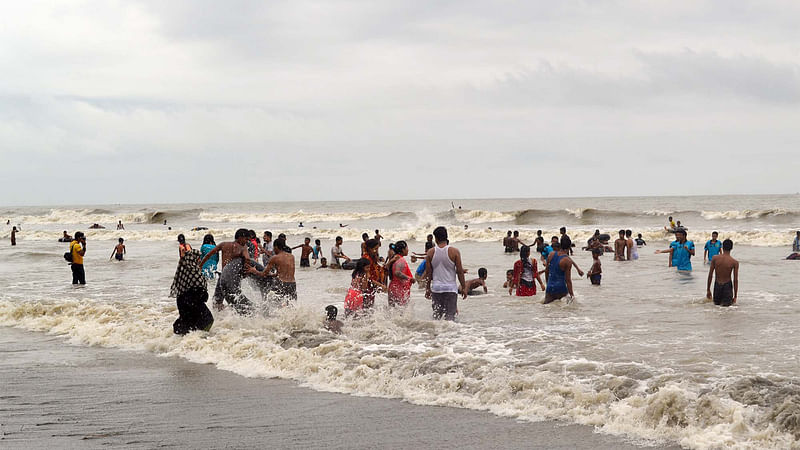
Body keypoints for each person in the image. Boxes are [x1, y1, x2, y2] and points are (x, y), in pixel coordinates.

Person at [198, 229, 252, 314]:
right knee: (235, 296)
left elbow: (208, 255)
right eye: (246, 239)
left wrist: (200, 266)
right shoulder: (242, 247)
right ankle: (234, 316)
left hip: (223, 277)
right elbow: (247, 259)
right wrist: (245, 273)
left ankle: (220, 317)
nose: (246, 241)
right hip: (234, 277)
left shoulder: (224, 244)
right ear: (240, 237)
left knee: (217, 300)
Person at [423, 226, 467, 321]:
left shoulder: (430, 253)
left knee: (437, 317)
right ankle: (448, 336)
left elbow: (428, 273)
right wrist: (463, 287)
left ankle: (436, 335)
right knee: (450, 317)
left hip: (436, 288)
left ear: (436, 238)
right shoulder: (454, 252)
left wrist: (427, 288)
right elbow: (459, 271)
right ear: (446, 237)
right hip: (450, 289)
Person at [170, 249, 214, 335]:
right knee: (208, 320)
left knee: (188, 326)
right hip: (194, 303)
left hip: (183, 303)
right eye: (198, 258)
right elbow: (202, 294)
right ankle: (201, 339)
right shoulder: (195, 272)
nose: (200, 260)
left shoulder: (182, 272)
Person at [249, 237, 297, 304]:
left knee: (274, 304)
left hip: (281, 284)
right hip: (292, 284)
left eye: (274, 247)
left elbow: (263, 274)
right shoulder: (291, 257)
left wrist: (254, 271)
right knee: (291, 305)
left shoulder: (275, 258)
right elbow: (282, 272)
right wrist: (272, 274)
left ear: (276, 247)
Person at [544, 238, 583, 304]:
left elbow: (546, 271)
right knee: (562, 310)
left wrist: (548, 284)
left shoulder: (551, 254)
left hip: (550, 287)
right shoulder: (567, 261)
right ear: (569, 247)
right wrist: (572, 295)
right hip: (561, 288)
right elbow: (568, 280)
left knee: (547, 309)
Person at [706, 239, 739, 306]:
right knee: (726, 308)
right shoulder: (734, 262)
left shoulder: (715, 258)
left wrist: (708, 289)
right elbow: (735, 280)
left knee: (716, 307)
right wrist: (735, 296)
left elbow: (710, 275)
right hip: (727, 286)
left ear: (722, 247)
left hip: (717, 285)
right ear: (731, 248)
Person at [387, 241, 414, 307]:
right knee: (401, 312)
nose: (408, 249)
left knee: (392, 312)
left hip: (393, 287)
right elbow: (397, 273)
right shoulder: (400, 260)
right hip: (399, 289)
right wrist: (409, 278)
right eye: (407, 247)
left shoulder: (395, 258)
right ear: (403, 250)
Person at [362, 239, 386, 309]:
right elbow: (367, 277)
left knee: (369, 306)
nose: (376, 251)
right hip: (367, 286)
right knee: (366, 307)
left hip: (371, 286)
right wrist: (380, 285)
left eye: (377, 249)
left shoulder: (372, 257)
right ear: (369, 248)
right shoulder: (366, 259)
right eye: (375, 249)